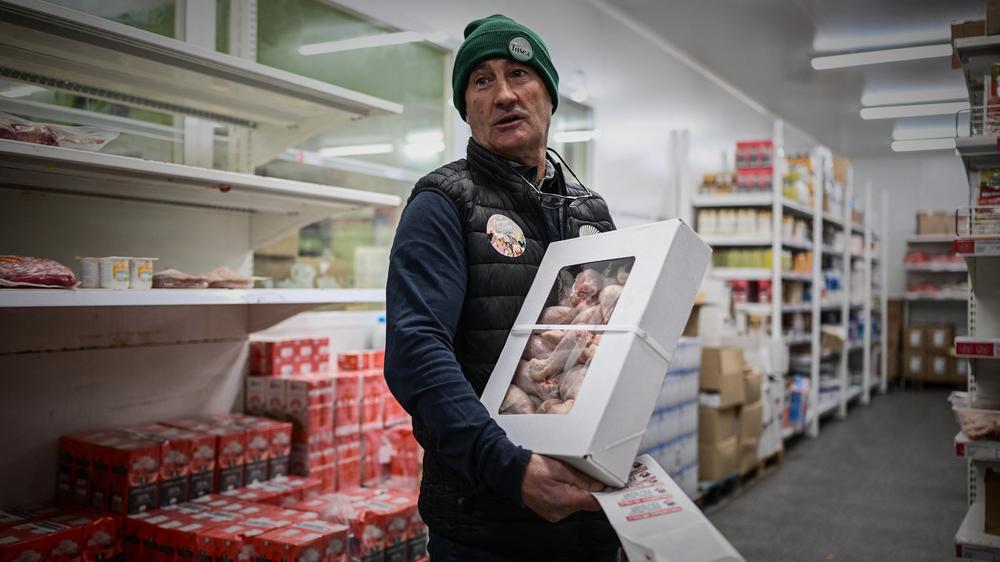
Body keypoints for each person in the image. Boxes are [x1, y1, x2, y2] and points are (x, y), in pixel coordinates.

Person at [385, 14, 621, 562]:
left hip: (591, 513)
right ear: (466, 109)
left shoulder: (591, 212)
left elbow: (613, 344)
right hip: (488, 523)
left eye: (520, 74)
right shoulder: (442, 204)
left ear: (549, 94)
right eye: (482, 81)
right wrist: (511, 470)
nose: (505, 94)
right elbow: (416, 351)